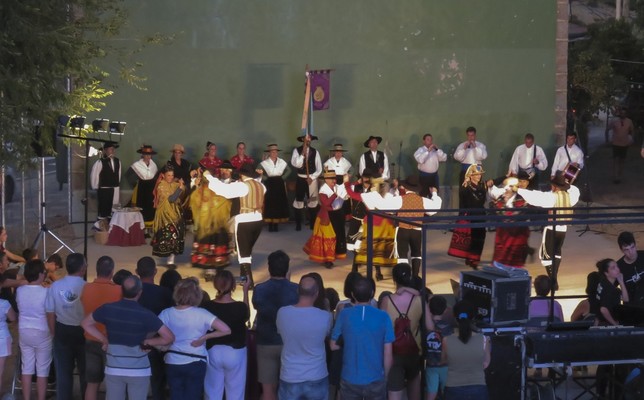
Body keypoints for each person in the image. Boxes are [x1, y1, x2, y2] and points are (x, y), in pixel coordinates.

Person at [81, 275, 175, 400]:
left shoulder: (108, 309)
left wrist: (104, 339)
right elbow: (168, 337)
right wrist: (149, 341)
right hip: (139, 370)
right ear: (140, 293)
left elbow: (85, 323)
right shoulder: (146, 314)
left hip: (114, 368)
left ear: (121, 291)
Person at [159, 277, 231, 400]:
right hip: (196, 361)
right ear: (197, 295)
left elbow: (153, 332)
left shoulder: (166, 313)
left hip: (173, 360)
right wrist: (205, 337)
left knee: (175, 395)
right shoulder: (202, 313)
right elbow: (226, 330)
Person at [330, 276, 394, 400]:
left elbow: (333, 345)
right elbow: (388, 353)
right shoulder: (383, 316)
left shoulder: (344, 314)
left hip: (349, 377)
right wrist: (385, 377)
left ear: (352, 294)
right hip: (376, 377)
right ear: (372, 293)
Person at [205, 163, 266, 287]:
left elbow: (223, 190)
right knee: (247, 250)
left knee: (243, 253)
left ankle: (249, 282)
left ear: (242, 175)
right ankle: (244, 278)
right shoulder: (261, 185)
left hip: (244, 220)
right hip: (258, 221)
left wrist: (209, 177)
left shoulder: (242, 186)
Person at [518, 171, 581, 290]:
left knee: (546, 255)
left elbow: (535, 198)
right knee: (556, 252)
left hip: (552, 228)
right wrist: (567, 184)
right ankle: (554, 279)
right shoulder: (571, 196)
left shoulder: (551, 197)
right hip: (563, 229)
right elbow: (575, 190)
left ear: (554, 186)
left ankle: (553, 280)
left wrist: (519, 190)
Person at [380, 264, 434, 400]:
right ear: (410, 278)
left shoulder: (387, 300)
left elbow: (379, 329)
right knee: (414, 389)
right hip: (414, 350)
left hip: (392, 352)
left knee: (394, 391)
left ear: (394, 279)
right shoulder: (419, 300)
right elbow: (430, 326)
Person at [251, 250, 299, 400]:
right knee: (289, 387)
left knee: (267, 389)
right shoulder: (295, 289)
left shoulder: (259, 289)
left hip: (265, 342)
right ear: (287, 268)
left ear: (269, 268)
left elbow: (257, 306)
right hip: (288, 343)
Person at [276, 275, 333, 400]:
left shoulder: (282, 313)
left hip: (290, 374)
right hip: (317, 374)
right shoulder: (325, 316)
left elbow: (280, 332)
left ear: (298, 291)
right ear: (316, 293)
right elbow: (327, 334)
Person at [378, 175, 442, 277]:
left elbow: (385, 207)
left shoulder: (400, 199)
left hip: (402, 230)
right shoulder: (422, 200)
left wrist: (391, 190)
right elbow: (435, 208)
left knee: (402, 255)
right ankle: (415, 276)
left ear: (405, 187)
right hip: (417, 230)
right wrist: (434, 193)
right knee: (416, 253)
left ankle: (404, 276)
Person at [202, 269, 251, 400]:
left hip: (213, 351)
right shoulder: (240, 307)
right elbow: (246, 315)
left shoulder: (207, 306)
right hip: (235, 351)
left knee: (212, 392)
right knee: (236, 392)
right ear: (233, 286)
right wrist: (245, 291)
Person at [45, 252, 87, 400]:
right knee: (85, 371)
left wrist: (53, 334)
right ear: (83, 268)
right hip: (83, 331)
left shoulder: (55, 286)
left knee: (63, 371)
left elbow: (50, 313)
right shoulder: (87, 287)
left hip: (62, 329)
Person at [80, 256, 122, 400]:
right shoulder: (118, 290)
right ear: (112, 272)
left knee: (92, 383)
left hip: (91, 340)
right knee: (113, 384)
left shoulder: (86, 288)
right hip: (111, 343)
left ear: (96, 271)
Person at [345, 177, 398, 281]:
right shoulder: (390, 195)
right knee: (378, 248)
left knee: (360, 246)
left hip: (371, 225)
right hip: (385, 226)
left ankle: (355, 269)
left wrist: (347, 182)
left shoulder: (369, 196)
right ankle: (378, 273)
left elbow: (352, 194)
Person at [136, 256, 174, 400]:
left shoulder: (131, 293)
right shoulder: (164, 293)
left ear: (136, 271)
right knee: (158, 382)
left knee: (135, 383)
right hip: (158, 343)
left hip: (135, 342)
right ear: (155, 272)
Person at [443, 300, 490, 400]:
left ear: (455, 318)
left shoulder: (446, 340)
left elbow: (443, 361)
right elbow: (486, 363)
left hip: (453, 389)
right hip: (478, 389)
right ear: (473, 318)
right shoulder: (483, 339)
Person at [190, 166, 233, 269]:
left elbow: (194, 205)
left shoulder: (198, 192)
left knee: (205, 242)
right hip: (216, 224)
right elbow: (226, 203)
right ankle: (214, 265)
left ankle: (206, 264)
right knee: (215, 242)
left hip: (203, 224)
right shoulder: (218, 189)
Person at [303, 170, 348, 268]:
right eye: (331, 179)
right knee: (328, 238)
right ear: (326, 180)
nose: (334, 181)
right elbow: (326, 203)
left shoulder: (336, 187)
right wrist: (335, 195)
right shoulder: (323, 190)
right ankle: (327, 260)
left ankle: (335, 254)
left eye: (334, 179)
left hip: (338, 213)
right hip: (327, 216)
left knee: (339, 234)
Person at [448, 164, 487, 270]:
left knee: (481, 237)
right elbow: (466, 203)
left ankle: (475, 258)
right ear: (471, 175)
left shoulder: (483, 186)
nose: (479, 176)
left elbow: (482, 200)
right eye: (476, 174)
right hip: (471, 215)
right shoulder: (465, 187)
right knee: (473, 237)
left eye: (480, 174)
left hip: (481, 215)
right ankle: (472, 259)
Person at [487, 177, 531, 268]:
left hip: (516, 232)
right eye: (505, 187)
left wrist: (508, 216)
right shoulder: (500, 199)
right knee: (500, 250)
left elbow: (522, 213)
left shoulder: (522, 200)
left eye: (509, 187)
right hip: (503, 231)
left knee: (514, 250)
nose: (506, 190)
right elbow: (495, 209)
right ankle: (499, 266)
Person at [17, 260, 45, 400]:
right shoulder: (46, 292)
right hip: (42, 331)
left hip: (24, 330)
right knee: (42, 369)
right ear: (40, 274)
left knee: (26, 367)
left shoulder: (20, 291)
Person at [152, 166, 186, 266]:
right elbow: (171, 199)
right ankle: (169, 255)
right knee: (169, 234)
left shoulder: (175, 185)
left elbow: (183, 195)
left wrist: (188, 185)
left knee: (176, 234)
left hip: (176, 213)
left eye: (172, 175)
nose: (171, 177)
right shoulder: (161, 186)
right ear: (163, 175)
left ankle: (172, 257)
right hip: (165, 215)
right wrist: (180, 189)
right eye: (168, 175)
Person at [291, 133, 323, 231]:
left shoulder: (315, 152)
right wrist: (302, 154)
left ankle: (312, 224)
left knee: (313, 202)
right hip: (300, 179)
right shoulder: (296, 151)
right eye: (306, 140)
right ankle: (298, 224)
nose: (307, 141)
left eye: (309, 140)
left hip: (311, 180)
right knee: (298, 201)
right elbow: (296, 164)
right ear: (302, 140)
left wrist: (312, 177)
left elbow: (319, 169)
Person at [425, 296, 454, 400]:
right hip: (446, 365)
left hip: (431, 365)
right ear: (445, 309)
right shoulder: (449, 328)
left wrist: (428, 304)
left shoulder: (427, 326)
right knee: (446, 393)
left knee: (431, 393)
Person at [346, 169, 373, 271]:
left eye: (368, 178)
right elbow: (344, 191)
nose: (366, 180)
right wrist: (355, 182)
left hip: (367, 221)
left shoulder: (374, 191)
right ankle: (358, 259)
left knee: (363, 244)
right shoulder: (356, 186)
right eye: (364, 178)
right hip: (355, 219)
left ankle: (356, 266)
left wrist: (346, 183)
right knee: (350, 243)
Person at [259, 144, 290, 232]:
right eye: (272, 152)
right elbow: (258, 171)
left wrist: (282, 178)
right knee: (270, 203)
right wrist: (265, 178)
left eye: (276, 152)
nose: (274, 153)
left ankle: (276, 224)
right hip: (270, 183)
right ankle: (270, 224)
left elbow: (289, 170)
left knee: (278, 203)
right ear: (269, 153)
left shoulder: (281, 161)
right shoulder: (265, 162)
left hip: (279, 183)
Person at [90, 141, 121, 226]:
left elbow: (118, 174)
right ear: (105, 150)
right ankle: (101, 229)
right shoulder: (100, 162)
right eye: (111, 149)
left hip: (115, 188)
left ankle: (112, 227)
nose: (113, 151)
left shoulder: (118, 161)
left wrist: (116, 184)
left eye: (113, 149)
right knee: (104, 209)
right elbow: (94, 175)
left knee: (113, 209)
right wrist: (96, 186)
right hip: (104, 189)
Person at [593, 258, 629, 326]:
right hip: (606, 325)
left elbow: (625, 299)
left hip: (599, 323)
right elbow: (603, 309)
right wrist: (615, 324)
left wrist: (621, 282)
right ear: (606, 273)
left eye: (617, 266)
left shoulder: (602, 283)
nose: (617, 269)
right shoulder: (610, 289)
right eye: (613, 268)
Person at [130, 144, 159, 229]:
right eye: (146, 154)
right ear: (142, 155)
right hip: (142, 189)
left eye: (149, 154)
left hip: (152, 189)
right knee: (142, 207)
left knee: (151, 207)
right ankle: (142, 228)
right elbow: (130, 178)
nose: (148, 156)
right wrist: (136, 185)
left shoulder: (154, 165)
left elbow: (156, 177)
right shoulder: (137, 165)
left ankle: (150, 226)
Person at [616, 231, 644, 305]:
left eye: (632, 247)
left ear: (635, 245)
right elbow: (610, 288)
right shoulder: (618, 267)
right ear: (621, 250)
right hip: (633, 309)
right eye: (626, 250)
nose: (631, 252)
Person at [609, 107, 635, 183]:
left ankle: (620, 175)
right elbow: (608, 129)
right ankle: (615, 177)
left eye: (624, 113)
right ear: (619, 113)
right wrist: (608, 139)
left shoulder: (629, 121)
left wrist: (632, 140)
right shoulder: (614, 121)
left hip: (624, 144)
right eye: (621, 113)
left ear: (626, 114)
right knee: (615, 160)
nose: (623, 114)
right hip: (615, 143)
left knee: (622, 161)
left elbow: (632, 131)